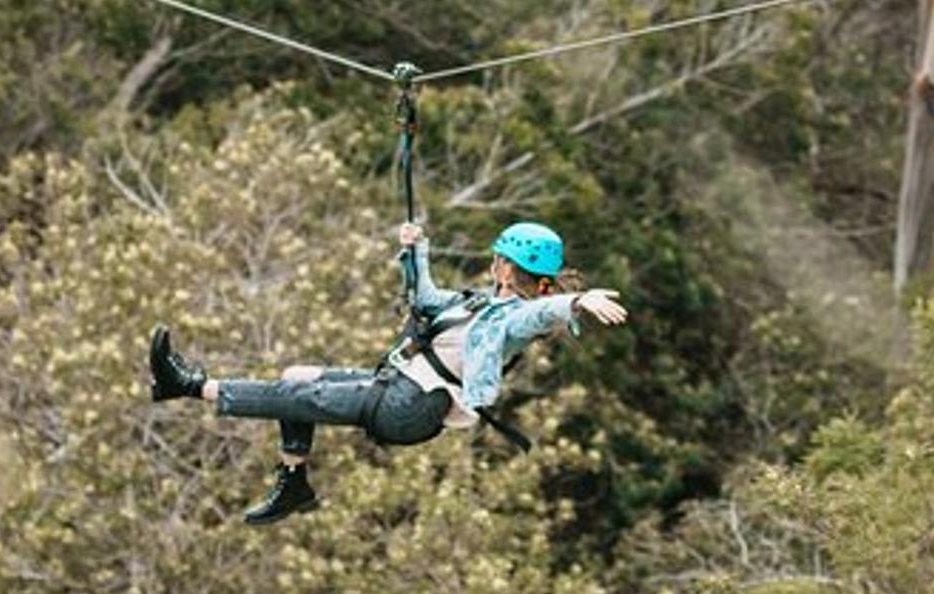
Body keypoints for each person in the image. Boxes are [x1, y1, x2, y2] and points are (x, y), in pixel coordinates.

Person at [148, 219, 629, 525]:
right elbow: (425, 298)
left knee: (301, 398)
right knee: (297, 377)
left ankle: (190, 385)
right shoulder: (476, 303)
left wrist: (578, 302)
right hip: (399, 384)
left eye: (497, 259)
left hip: (412, 407)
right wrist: (416, 250)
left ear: (505, 268)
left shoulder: (515, 319)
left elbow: (541, 314)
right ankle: (293, 481)